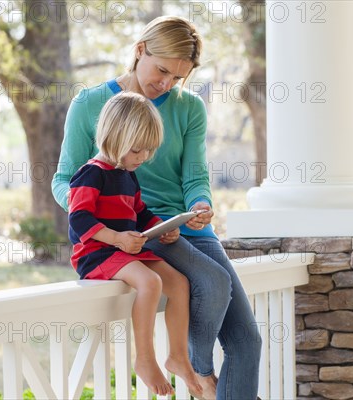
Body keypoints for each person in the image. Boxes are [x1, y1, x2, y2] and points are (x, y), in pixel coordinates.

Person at [52, 16, 261, 400]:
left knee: (248, 340)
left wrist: (200, 204)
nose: (165, 84)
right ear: (139, 51)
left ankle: (195, 368)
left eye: (177, 77)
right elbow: (63, 180)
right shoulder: (91, 103)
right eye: (161, 69)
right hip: (136, 234)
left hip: (185, 228)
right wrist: (99, 216)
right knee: (207, 282)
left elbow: (195, 177)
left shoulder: (189, 108)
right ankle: (199, 373)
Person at [68, 92, 202, 397]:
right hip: (97, 253)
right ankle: (144, 359)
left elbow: (139, 214)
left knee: (180, 283)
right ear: (114, 137)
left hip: (126, 250)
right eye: (137, 149)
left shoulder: (128, 175)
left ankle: (178, 356)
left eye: (148, 151)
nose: (142, 158)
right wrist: (116, 238)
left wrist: (162, 229)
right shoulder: (90, 174)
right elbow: (78, 220)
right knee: (151, 283)